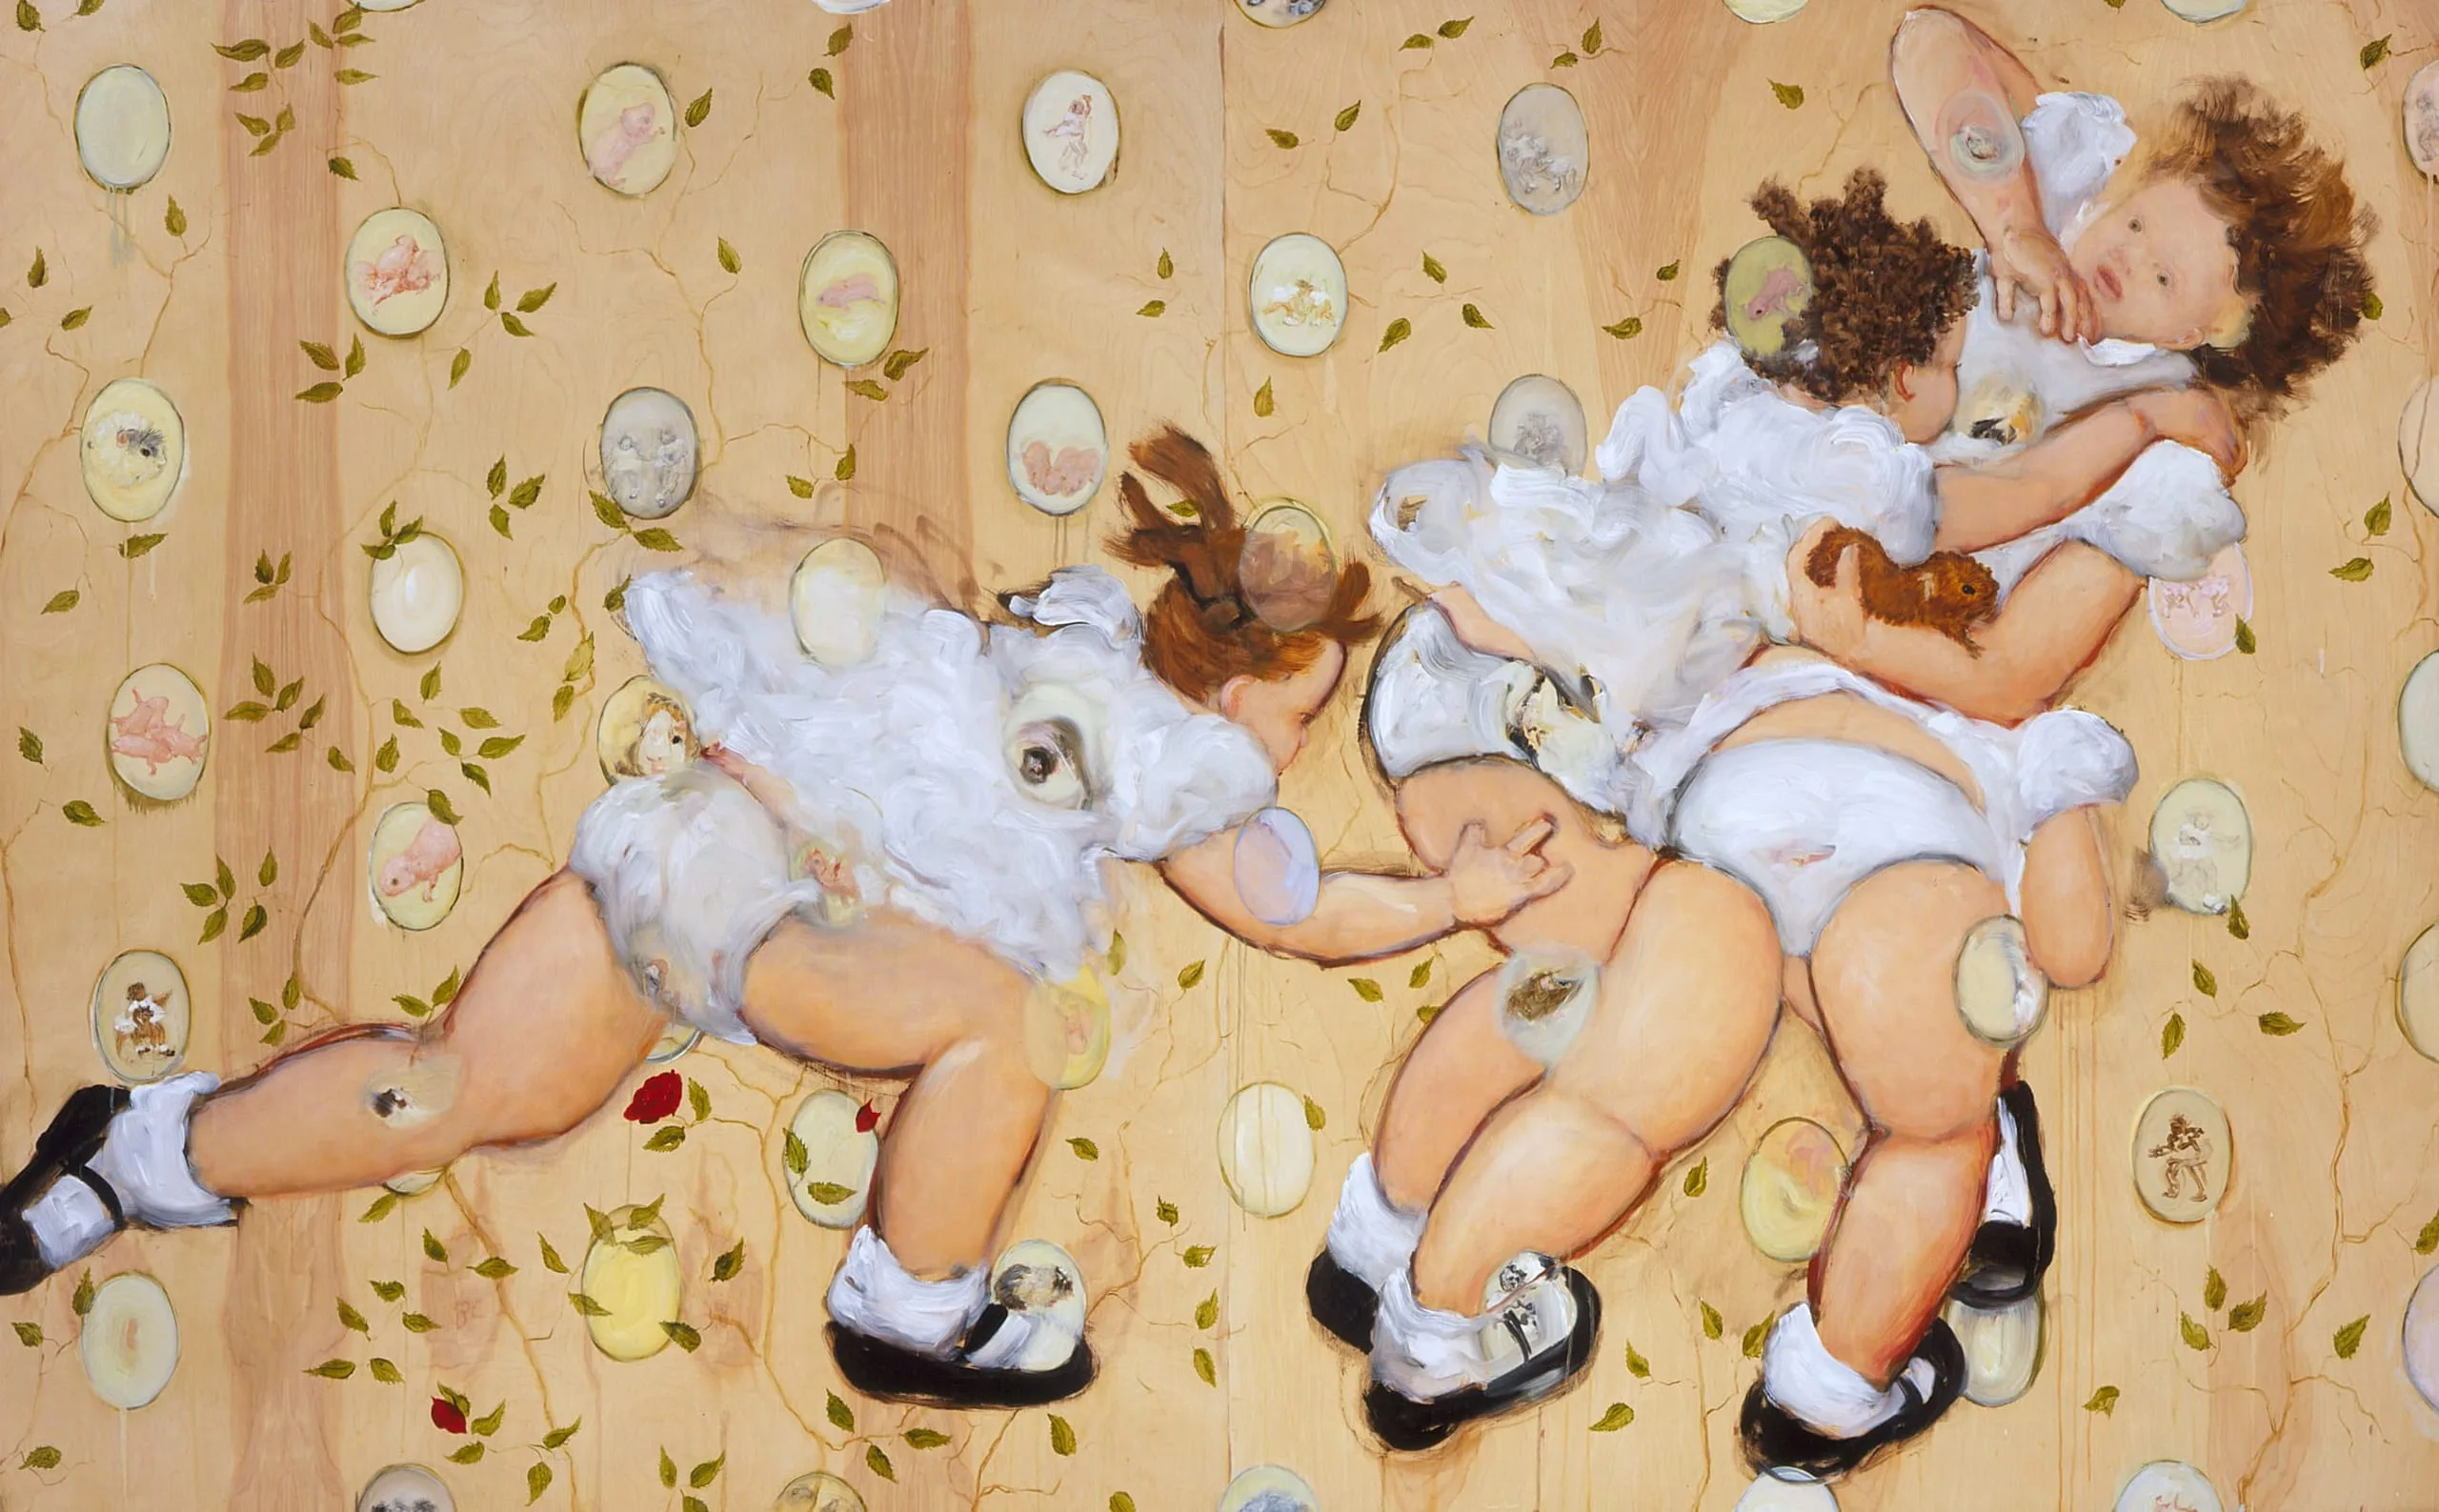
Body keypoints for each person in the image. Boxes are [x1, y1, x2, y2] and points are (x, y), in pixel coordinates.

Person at [0, 428, 1569, 1414]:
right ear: (1233, 697)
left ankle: (143, 1148)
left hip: (699, 842)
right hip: (778, 888)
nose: (1292, 752)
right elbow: (1296, 911)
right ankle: (910, 1304)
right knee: (1008, 1020)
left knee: (453, 1086)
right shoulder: (1178, 762)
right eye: (1301, 718)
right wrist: (1455, 897)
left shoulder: (1057, 651)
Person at [1313, 166, 2298, 1463]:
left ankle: (1428, 1337)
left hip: (1733, 798)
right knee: (1936, 1128)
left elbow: (1997, 631)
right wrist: (2143, 426)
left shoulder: (1771, 429)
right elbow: (2014, 569)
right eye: (2132, 226)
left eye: (2168, 274)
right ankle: (1827, 1392)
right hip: (1909, 809)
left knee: (1617, 1096)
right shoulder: (1937, 437)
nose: (2124, 262)